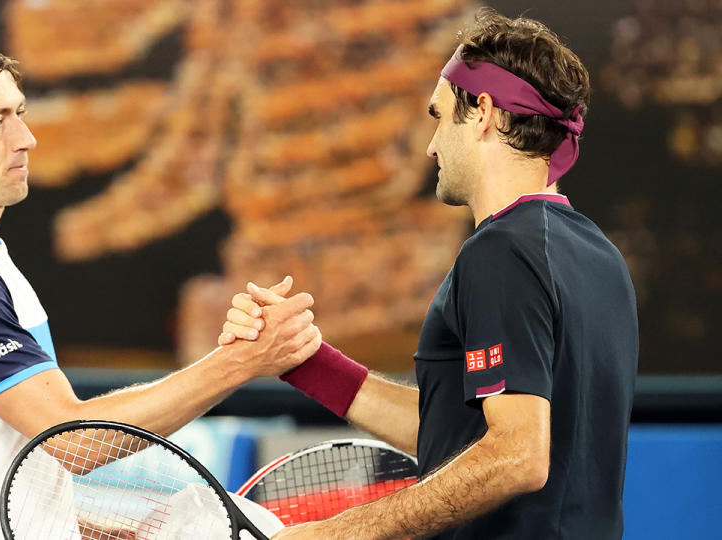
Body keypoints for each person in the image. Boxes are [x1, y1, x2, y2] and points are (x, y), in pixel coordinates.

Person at [0, 34, 321, 540]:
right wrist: (242, 361)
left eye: (19, 112)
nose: (24, 137)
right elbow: (71, 437)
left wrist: (109, 532)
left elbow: (6, 470)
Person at [220, 9, 638, 539]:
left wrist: (337, 533)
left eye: (440, 117)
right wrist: (305, 361)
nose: (432, 146)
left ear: (483, 112)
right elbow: (458, 435)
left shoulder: (501, 251)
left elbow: (516, 456)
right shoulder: (600, 256)